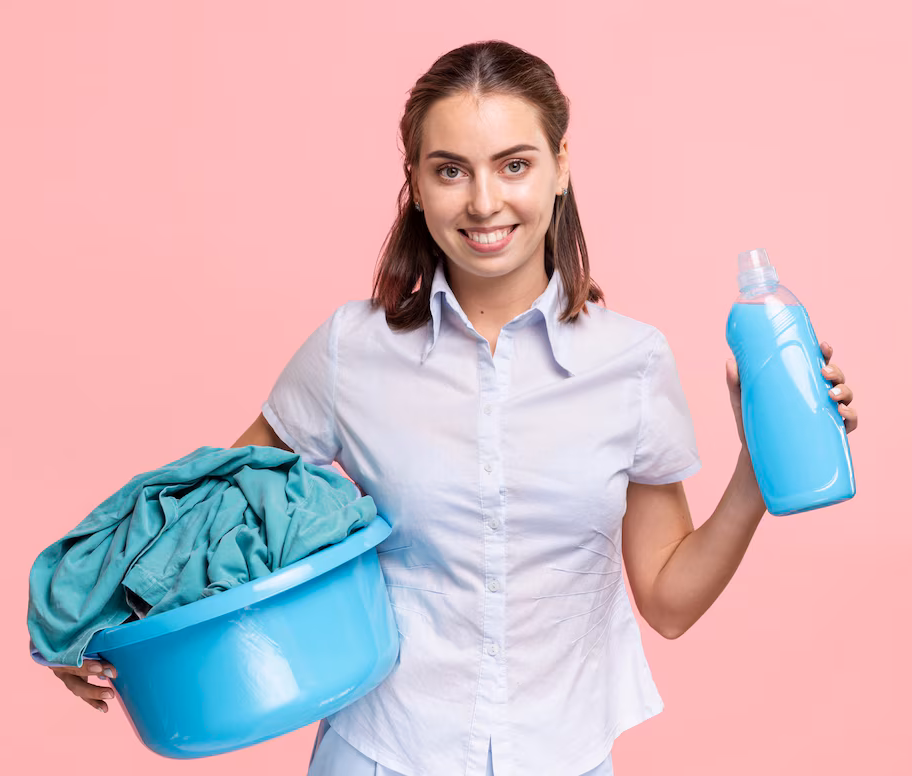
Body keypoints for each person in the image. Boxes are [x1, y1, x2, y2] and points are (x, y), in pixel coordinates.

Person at [44, 40, 860, 776]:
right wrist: (86, 622)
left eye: (513, 165)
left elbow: (669, 603)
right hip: (382, 749)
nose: (482, 203)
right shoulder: (349, 351)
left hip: (564, 756)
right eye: (449, 170)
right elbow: (210, 522)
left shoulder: (632, 363)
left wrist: (762, 463)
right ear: (416, 182)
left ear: (561, 165)